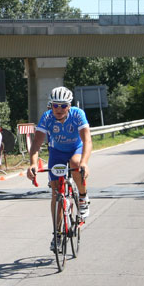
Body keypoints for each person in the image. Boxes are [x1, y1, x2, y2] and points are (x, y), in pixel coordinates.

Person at [26, 86, 92, 251]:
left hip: (75, 149)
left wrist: (84, 162)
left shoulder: (78, 115)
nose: (59, 109)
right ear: (50, 105)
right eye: (56, 105)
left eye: (63, 106)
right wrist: (33, 164)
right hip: (56, 152)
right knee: (56, 194)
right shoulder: (47, 118)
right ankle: (57, 234)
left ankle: (83, 197)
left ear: (69, 106)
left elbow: (87, 141)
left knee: (76, 164)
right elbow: (36, 144)